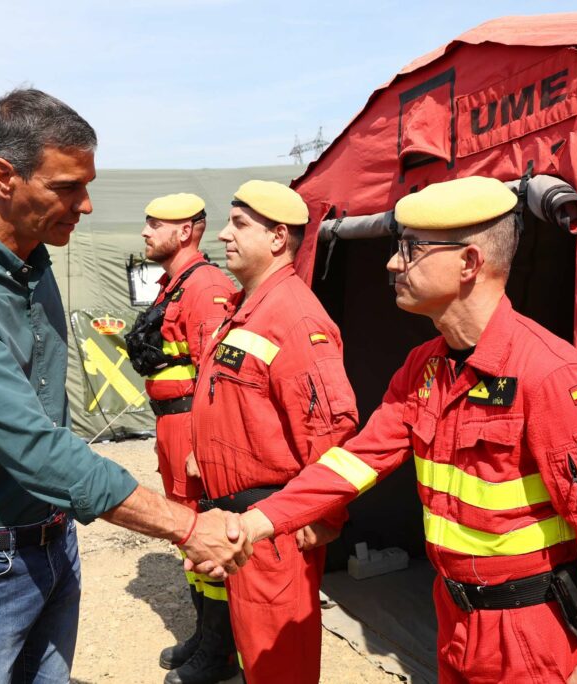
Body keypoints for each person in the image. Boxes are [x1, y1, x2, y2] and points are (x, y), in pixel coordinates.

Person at [238, 177, 577, 683]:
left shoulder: (546, 373)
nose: (393, 263)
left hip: (527, 633)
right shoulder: (425, 366)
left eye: (410, 249)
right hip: (455, 617)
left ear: (468, 263)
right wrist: (259, 521)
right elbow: (358, 461)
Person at [0, 88, 249, 682]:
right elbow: (32, 443)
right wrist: (186, 526)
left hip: (52, 542)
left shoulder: (33, 263)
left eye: (87, 186)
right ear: (4, 177)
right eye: (66, 187)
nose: (84, 206)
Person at [189, 180, 358, 684]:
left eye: (239, 224)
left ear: (279, 237)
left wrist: (324, 510)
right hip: (242, 522)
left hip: (276, 526)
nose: (222, 235)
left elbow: (332, 425)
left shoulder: (296, 315)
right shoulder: (248, 308)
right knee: (255, 657)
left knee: (279, 665)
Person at [127, 193, 237, 684]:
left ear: (188, 229)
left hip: (192, 423)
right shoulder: (174, 284)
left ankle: (221, 651)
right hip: (171, 423)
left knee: (206, 531)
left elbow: (217, 374)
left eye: (157, 224)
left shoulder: (206, 286)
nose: (147, 232)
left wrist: (201, 444)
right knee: (184, 528)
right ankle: (204, 635)